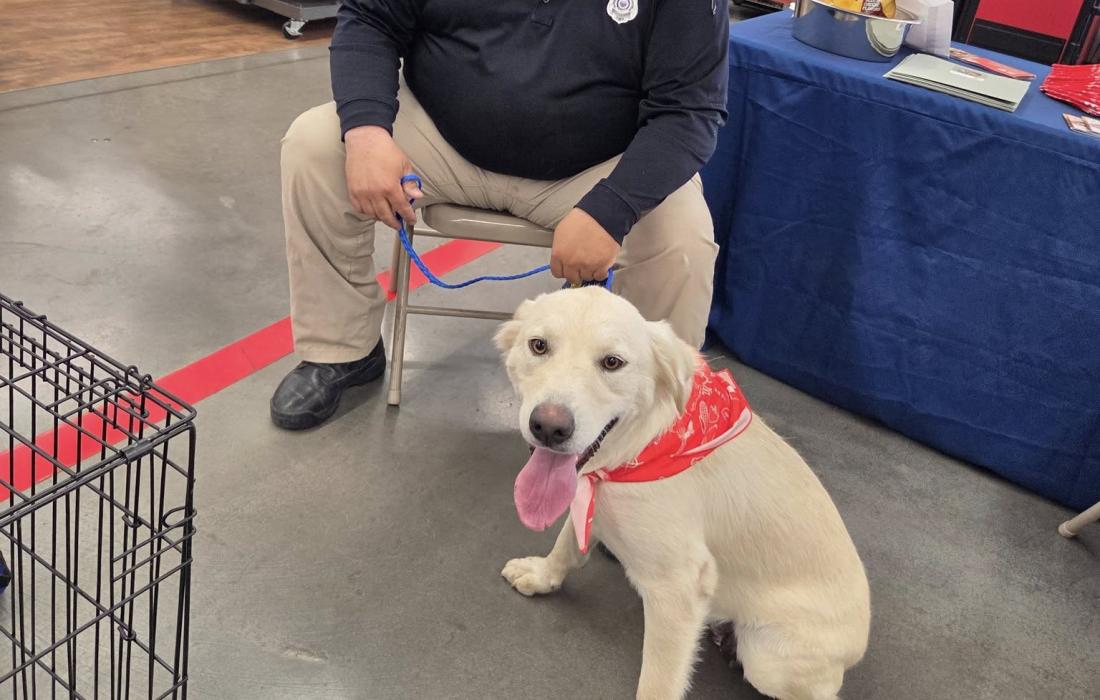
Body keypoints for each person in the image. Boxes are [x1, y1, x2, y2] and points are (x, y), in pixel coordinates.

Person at [271, 0, 730, 430]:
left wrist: (614, 208)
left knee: (680, 239)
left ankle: (657, 416)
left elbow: (689, 110)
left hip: (598, 165)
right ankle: (342, 349)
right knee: (314, 148)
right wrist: (367, 132)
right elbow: (371, 16)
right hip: (440, 134)